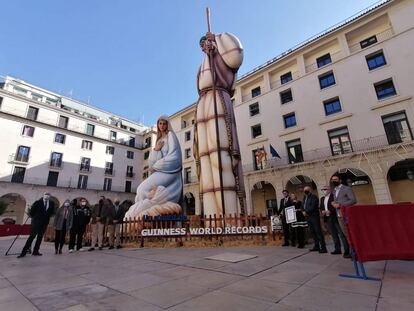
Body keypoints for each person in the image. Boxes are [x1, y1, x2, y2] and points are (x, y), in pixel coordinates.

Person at [193, 31, 245, 216]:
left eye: (207, 43)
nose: (205, 47)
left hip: (218, 99)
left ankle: (231, 216)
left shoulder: (224, 60)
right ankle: (211, 216)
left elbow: (236, 54)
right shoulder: (202, 67)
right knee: (206, 156)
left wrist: (217, 37)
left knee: (221, 150)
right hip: (204, 103)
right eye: (203, 45)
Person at [125, 116, 183, 218]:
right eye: (160, 123)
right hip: (160, 170)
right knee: (140, 190)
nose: (162, 126)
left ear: (167, 124)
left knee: (143, 189)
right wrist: (156, 149)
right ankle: (141, 214)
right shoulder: (159, 140)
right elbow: (152, 161)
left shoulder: (171, 135)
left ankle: (143, 213)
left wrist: (156, 166)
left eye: (164, 123)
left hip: (169, 171)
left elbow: (175, 156)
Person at [18, 192, 55, 257]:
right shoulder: (37, 202)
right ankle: (24, 252)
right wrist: (35, 218)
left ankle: (36, 251)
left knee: (40, 237)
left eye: (48, 195)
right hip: (36, 222)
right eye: (46, 194)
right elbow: (32, 211)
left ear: (50, 196)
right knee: (32, 236)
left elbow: (52, 212)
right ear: (43, 195)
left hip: (45, 222)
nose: (47, 196)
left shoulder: (52, 203)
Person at [330, 174, 357, 258]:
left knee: (351, 234)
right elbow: (336, 201)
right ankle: (351, 251)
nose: (333, 181)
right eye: (332, 180)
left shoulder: (346, 188)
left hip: (346, 214)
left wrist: (339, 205)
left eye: (335, 179)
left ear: (340, 180)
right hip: (339, 215)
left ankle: (356, 252)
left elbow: (353, 200)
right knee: (346, 234)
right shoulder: (334, 190)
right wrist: (333, 203)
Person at [319, 186, 350, 257]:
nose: (324, 190)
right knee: (334, 234)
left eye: (325, 189)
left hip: (335, 217)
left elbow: (336, 206)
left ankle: (347, 250)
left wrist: (330, 211)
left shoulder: (334, 196)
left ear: (329, 190)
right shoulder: (322, 198)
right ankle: (337, 249)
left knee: (341, 234)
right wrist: (322, 211)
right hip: (327, 218)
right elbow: (321, 207)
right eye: (322, 189)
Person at [302, 186, 327, 253]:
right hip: (308, 217)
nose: (305, 191)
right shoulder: (304, 197)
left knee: (318, 231)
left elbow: (313, 206)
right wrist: (303, 211)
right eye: (304, 190)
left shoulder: (314, 197)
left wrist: (306, 211)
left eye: (307, 190)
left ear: (310, 190)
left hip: (314, 216)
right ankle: (316, 246)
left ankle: (323, 247)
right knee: (312, 232)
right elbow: (302, 205)